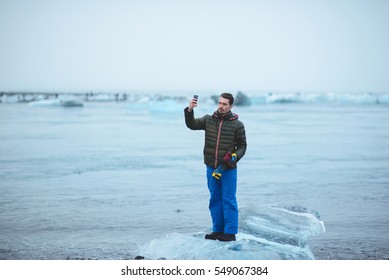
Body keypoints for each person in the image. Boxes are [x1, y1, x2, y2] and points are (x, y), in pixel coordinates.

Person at [184, 93, 247, 242]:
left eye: (225, 104)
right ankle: (217, 230)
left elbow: (243, 146)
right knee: (215, 199)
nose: (221, 106)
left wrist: (235, 156)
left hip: (228, 168)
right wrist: (189, 110)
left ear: (231, 106)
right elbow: (191, 124)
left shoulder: (237, 124)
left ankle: (230, 232)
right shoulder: (208, 120)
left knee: (229, 199)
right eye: (219, 103)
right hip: (211, 167)